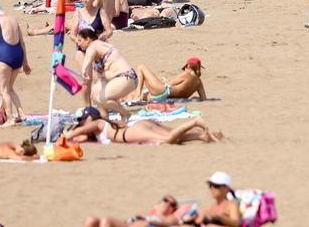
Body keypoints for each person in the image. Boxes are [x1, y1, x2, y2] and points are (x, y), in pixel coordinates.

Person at [150, 172, 241, 227]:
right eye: (210, 185)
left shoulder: (231, 205)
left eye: (216, 186)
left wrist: (220, 218)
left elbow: (236, 224)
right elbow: (199, 221)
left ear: (226, 188)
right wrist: (194, 219)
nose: (212, 189)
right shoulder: (212, 207)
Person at [64, 106, 222, 146]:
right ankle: (202, 135)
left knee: (168, 140)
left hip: (131, 133)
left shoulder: (97, 123)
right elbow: (81, 137)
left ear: (90, 117)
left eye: (83, 119)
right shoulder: (102, 125)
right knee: (175, 135)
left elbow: (81, 132)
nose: (82, 122)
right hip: (137, 126)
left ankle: (195, 122)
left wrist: (64, 137)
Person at [76, 27, 136, 122]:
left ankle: (125, 114)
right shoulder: (99, 47)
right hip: (121, 78)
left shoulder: (94, 45)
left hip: (126, 77)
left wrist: (84, 69)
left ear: (87, 39)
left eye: (80, 40)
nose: (78, 43)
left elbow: (88, 57)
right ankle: (105, 118)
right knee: (95, 93)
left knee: (102, 98)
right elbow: (101, 77)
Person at [131, 57, 207, 102]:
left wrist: (163, 81)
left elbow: (170, 84)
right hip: (168, 98)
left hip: (164, 93)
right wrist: (194, 98)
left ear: (188, 66)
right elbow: (204, 99)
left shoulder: (186, 74)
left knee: (141, 67)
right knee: (144, 95)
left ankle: (136, 96)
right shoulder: (199, 82)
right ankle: (135, 96)